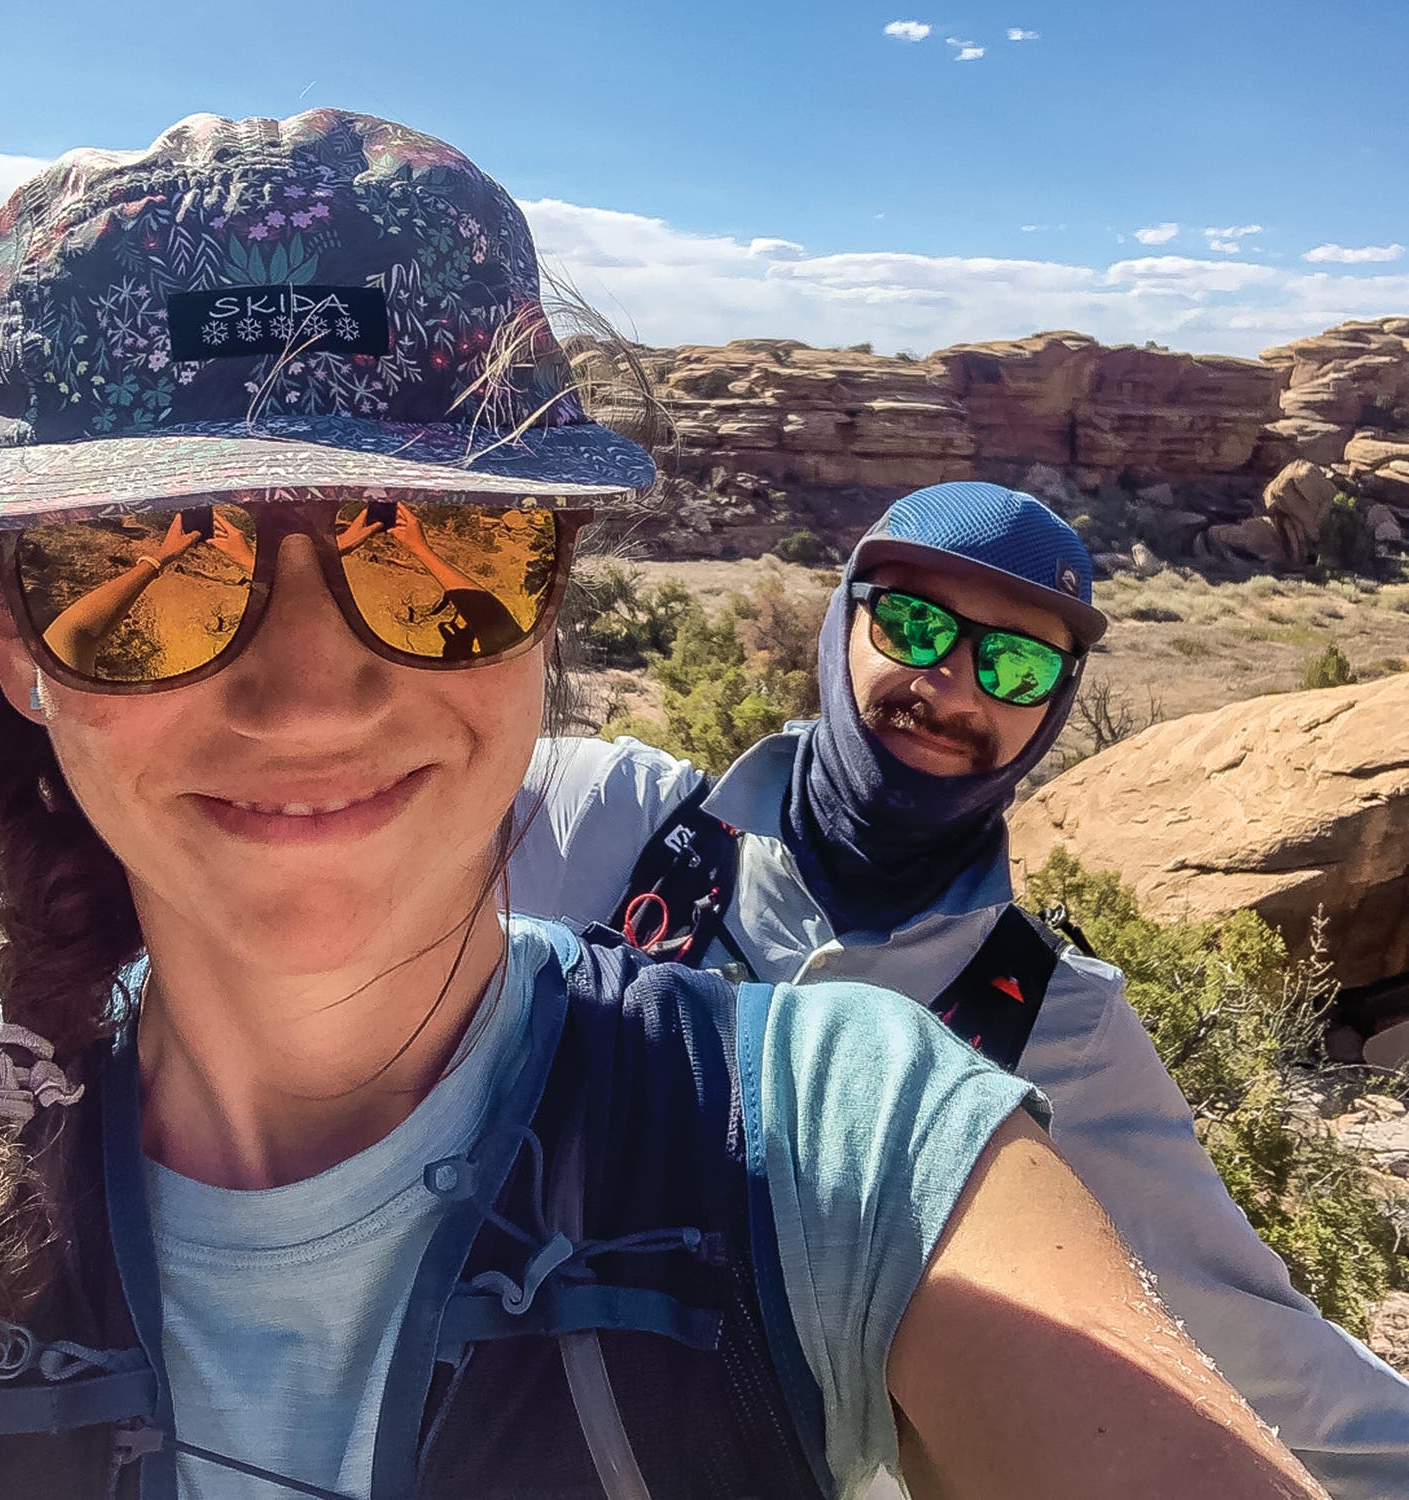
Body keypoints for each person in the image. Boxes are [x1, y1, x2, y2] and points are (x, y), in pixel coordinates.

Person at [0, 111, 1330, 1500]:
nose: (309, 702)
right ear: (5, 622)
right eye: (151, 561)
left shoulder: (846, 1139)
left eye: (437, 544)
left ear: (555, 585)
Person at [509, 481, 1409, 1499]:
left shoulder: (1053, 1022)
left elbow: (1265, 1357)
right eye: (915, 624)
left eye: (1017, 665)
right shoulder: (601, 820)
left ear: (1054, 704)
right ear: (843, 623)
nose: (953, 689)